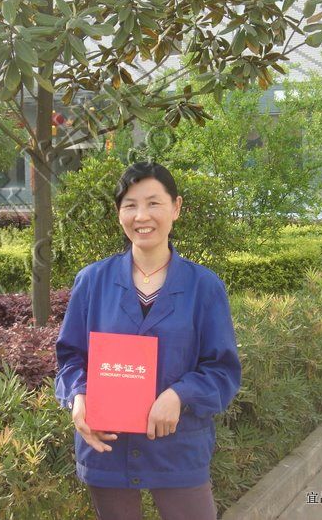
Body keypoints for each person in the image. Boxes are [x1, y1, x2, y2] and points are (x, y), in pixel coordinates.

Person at [54, 161, 242, 520]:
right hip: (106, 446)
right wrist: (77, 397)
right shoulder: (92, 281)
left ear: (176, 208)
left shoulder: (204, 286)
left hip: (178, 448)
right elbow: (70, 358)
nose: (142, 216)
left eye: (154, 203)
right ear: (119, 213)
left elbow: (223, 370)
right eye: (130, 205)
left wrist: (179, 395)